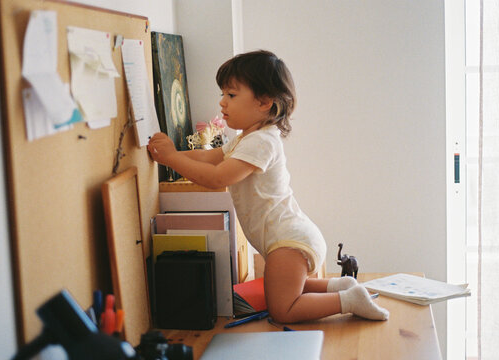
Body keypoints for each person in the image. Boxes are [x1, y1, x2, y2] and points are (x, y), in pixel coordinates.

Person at [148, 50, 388, 323]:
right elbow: (209, 157)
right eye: (223, 94)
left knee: (283, 310)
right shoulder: (245, 138)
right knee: (280, 288)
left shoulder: (262, 142)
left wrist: (171, 158)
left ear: (264, 102)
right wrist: (172, 156)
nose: (222, 102)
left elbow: (217, 178)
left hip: (289, 241)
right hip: (288, 238)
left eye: (231, 95)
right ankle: (341, 287)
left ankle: (348, 301)